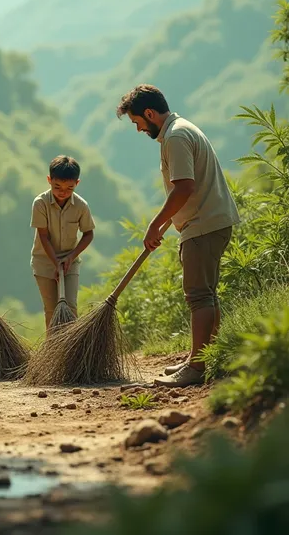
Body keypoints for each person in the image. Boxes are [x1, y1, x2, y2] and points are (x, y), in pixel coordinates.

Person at [116, 85, 240, 387]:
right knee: (207, 294)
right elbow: (182, 189)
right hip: (209, 222)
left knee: (198, 296)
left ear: (149, 113)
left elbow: (184, 187)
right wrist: (167, 223)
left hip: (203, 225)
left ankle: (196, 368)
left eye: (137, 122)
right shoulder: (180, 130)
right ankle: (203, 358)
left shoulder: (175, 136)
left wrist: (154, 223)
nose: (138, 129)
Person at [30, 155, 95, 329]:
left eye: (69, 188)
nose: (62, 192)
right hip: (44, 261)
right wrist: (55, 263)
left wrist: (71, 257)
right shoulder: (40, 203)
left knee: (71, 307)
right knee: (52, 310)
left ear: (77, 184)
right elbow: (43, 236)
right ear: (49, 180)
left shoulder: (81, 206)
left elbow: (88, 234)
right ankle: (53, 351)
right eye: (57, 186)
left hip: (70, 261)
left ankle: (72, 352)